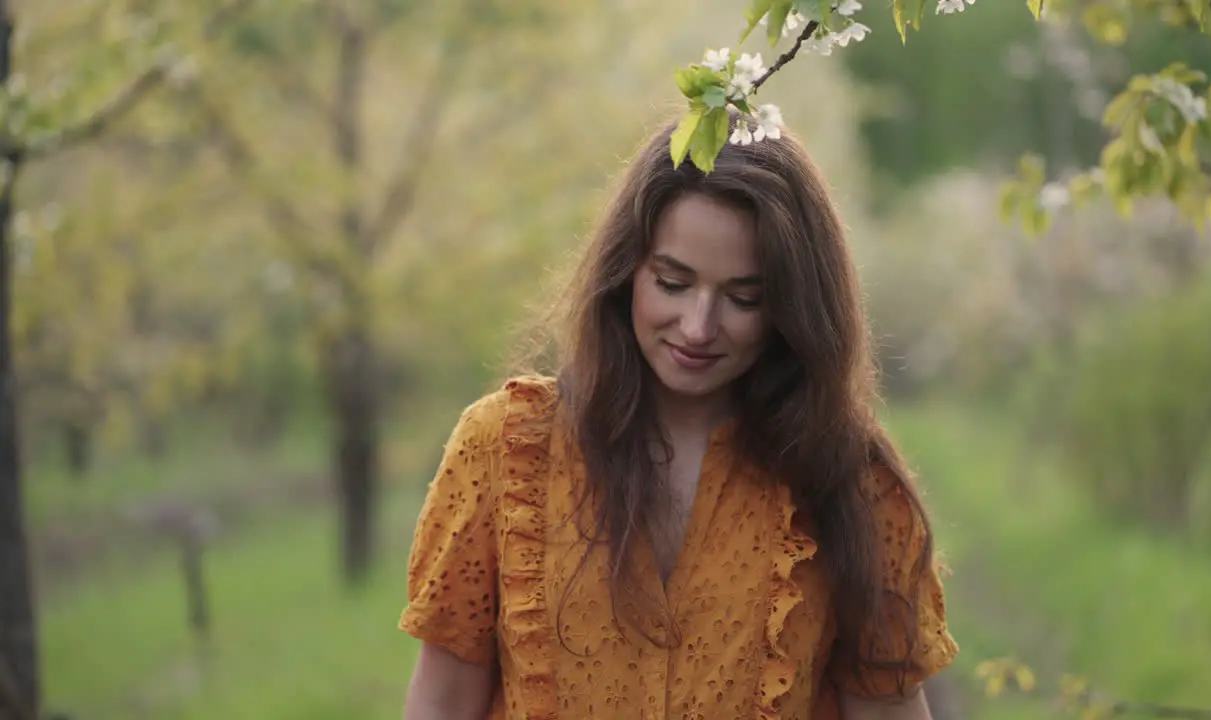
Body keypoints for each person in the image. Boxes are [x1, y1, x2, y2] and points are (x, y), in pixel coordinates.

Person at [397, 110, 959, 720]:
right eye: (672, 282)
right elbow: (441, 703)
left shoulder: (851, 481)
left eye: (744, 298)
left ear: (791, 307)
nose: (698, 327)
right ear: (626, 270)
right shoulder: (504, 447)